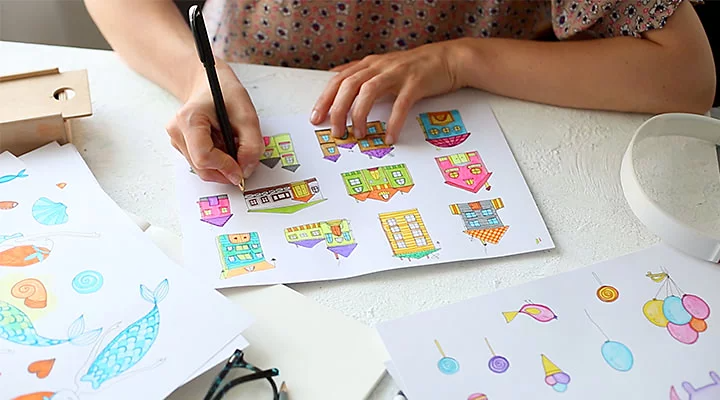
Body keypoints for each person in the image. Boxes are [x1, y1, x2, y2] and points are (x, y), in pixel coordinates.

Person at [84, 0, 716, 186]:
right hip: (258, 80)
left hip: (503, 120)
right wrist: (202, 76)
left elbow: (683, 76)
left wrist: (462, 58)